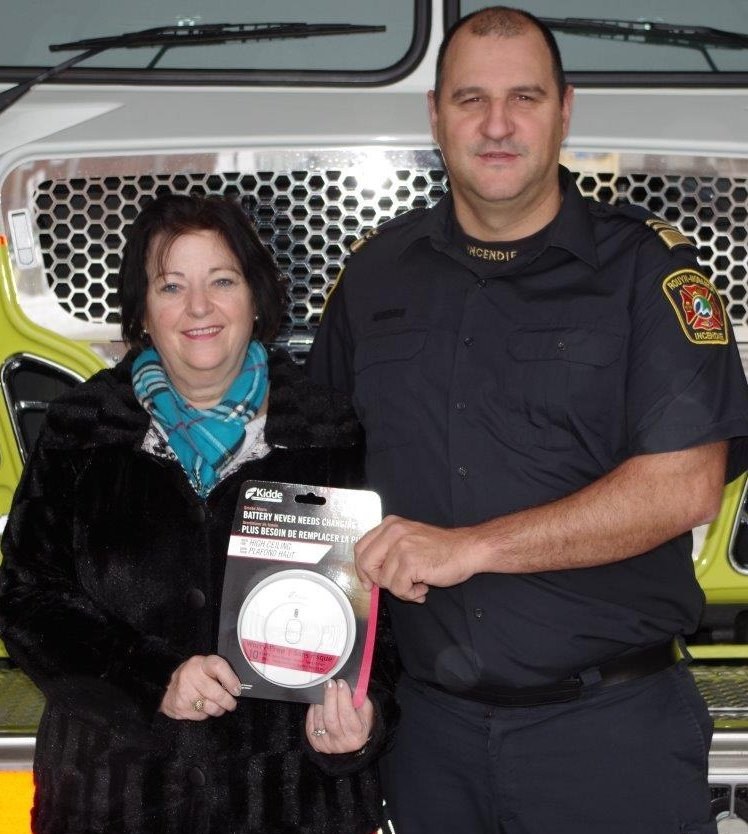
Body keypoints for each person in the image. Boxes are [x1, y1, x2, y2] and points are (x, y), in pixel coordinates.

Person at [306, 7, 748, 834]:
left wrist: (470, 549)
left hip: (610, 741)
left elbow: (687, 486)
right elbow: (316, 472)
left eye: (526, 98)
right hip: (428, 740)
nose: (498, 125)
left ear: (565, 111)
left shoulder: (649, 273)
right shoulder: (373, 278)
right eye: (471, 99)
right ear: (434, 116)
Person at [0, 192, 398, 834]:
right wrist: (151, 680)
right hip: (114, 800)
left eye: (222, 280)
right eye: (171, 286)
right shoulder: (83, 429)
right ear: (143, 312)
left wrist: (363, 717)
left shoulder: (330, 433)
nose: (199, 308)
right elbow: (26, 601)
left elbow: (388, 618)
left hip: (289, 802)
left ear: (257, 298)